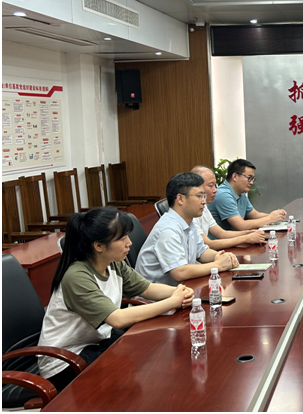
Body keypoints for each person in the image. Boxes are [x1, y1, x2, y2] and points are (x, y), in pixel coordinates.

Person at [38, 207, 195, 393]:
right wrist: (172, 301)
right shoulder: (77, 276)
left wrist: (180, 292)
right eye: (122, 238)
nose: (129, 243)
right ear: (99, 246)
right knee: (134, 379)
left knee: (150, 354)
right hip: (65, 361)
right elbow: (117, 319)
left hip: (96, 342)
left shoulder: (113, 264)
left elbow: (148, 288)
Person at [136, 172, 239, 286]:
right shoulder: (168, 230)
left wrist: (220, 256)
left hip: (181, 289)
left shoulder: (188, 222)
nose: (204, 201)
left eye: (204, 196)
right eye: (199, 196)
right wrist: (218, 265)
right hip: (158, 295)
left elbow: (201, 252)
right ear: (180, 199)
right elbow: (180, 272)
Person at [190, 165, 265, 250]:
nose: (215, 190)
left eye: (215, 185)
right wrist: (246, 238)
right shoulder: (190, 211)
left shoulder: (204, 207)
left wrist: (248, 233)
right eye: (211, 185)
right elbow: (208, 244)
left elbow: (222, 233)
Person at [209, 159, 286, 231]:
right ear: (235, 177)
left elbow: (254, 215)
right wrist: (270, 218)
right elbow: (241, 225)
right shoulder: (223, 195)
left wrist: (276, 216)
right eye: (249, 178)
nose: (251, 182)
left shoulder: (240, 193)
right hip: (222, 240)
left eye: (252, 179)